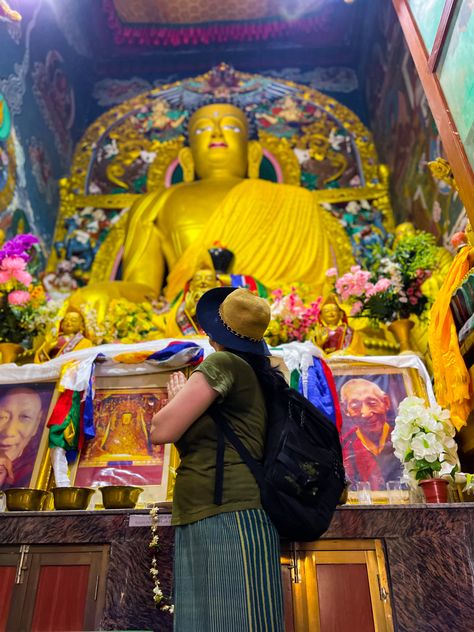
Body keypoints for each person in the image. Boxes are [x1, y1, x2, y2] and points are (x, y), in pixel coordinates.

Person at [70, 101, 350, 321]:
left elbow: (313, 284)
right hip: (185, 317)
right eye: (203, 129)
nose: (216, 133)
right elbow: (144, 289)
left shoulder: (297, 201)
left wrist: (254, 294)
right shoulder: (155, 203)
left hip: (268, 316)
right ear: (187, 158)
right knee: (91, 299)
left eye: (231, 127)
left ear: (253, 154)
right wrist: (105, 293)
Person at [150, 287, 284, 631]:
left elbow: (161, 429)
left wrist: (178, 397)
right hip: (232, 511)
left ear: (215, 334)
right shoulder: (259, 372)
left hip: (223, 515)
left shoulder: (223, 363)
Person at [339, 378, 402, 490]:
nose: (366, 413)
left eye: (372, 403)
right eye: (355, 407)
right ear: (345, 410)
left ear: (386, 402)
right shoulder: (345, 445)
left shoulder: (403, 438)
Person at [0, 387, 44, 489]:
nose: (9, 432)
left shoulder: (34, 469)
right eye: (1, 417)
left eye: (25, 417)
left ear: (37, 423)